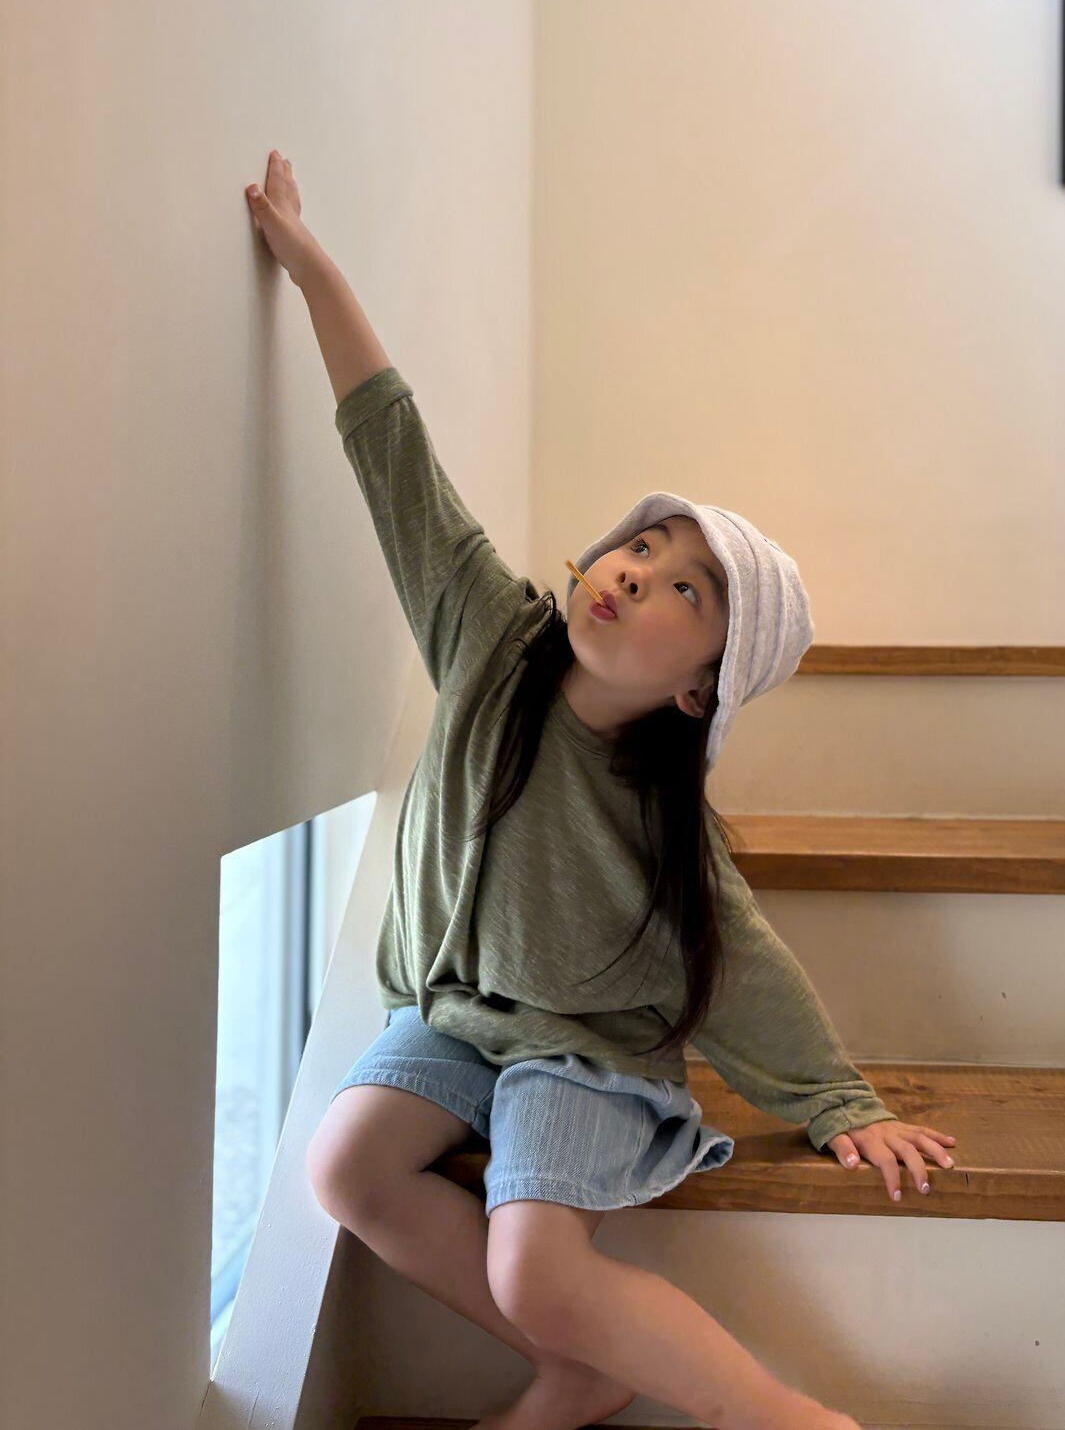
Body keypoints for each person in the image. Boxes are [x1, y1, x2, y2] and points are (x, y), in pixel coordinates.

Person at [244, 151, 957, 1430]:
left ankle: (776, 1414)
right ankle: (577, 1370)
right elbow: (394, 454)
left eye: (685, 589)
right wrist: (310, 269)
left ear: (700, 689)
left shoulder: (655, 816)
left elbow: (738, 959)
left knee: (536, 1261)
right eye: (641, 544)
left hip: (586, 1051)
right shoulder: (484, 632)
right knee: (344, 1167)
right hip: (453, 1020)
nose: (633, 571)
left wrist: (835, 1100)